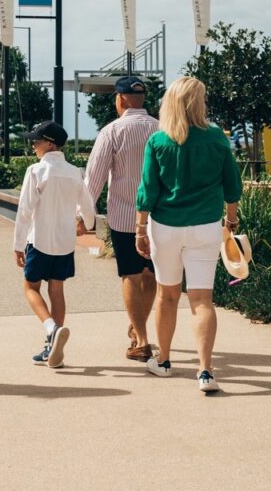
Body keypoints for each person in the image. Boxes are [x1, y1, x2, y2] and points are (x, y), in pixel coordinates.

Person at [134, 77, 241, 393]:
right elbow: (232, 185)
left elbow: (148, 190)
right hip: (205, 226)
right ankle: (205, 371)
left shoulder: (158, 141)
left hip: (165, 227)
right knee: (202, 299)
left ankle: (164, 361)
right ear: (198, 103)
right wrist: (231, 219)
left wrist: (140, 228)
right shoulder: (217, 139)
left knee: (167, 295)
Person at [81, 75, 159, 361]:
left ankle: (141, 340)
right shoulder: (162, 129)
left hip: (125, 219)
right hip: (159, 218)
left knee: (131, 275)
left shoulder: (112, 131)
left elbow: (94, 178)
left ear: (121, 99)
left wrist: (83, 216)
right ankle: (138, 328)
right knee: (151, 275)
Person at [13, 121, 96, 369]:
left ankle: (51, 329)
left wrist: (17, 244)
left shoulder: (36, 171)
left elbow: (24, 211)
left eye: (36, 141)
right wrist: (85, 223)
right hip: (65, 243)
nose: (33, 146)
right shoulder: (74, 172)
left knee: (30, 288)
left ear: (50, 144)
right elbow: (88, 207)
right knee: (57, 291)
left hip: (39, 240)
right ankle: (52, 349)